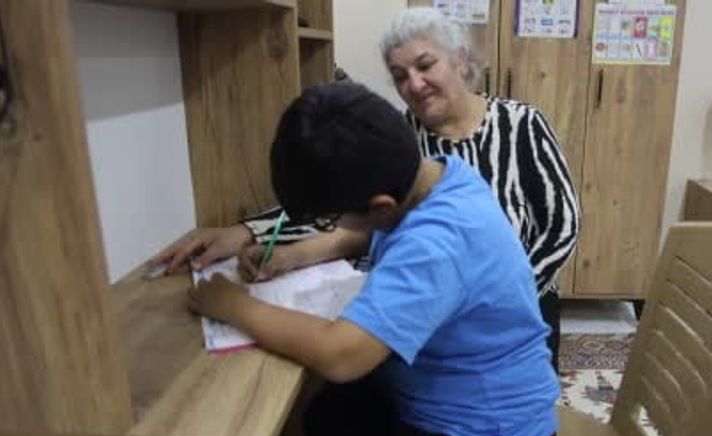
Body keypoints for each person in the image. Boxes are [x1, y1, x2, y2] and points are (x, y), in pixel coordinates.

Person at [188, 82, 558, 436]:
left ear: (381, 206)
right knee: (326, 417)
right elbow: (371, 236)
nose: (336, 226)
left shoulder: (435, 245)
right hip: (431, 393)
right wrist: (291, 255)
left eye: (335, 217)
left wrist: (235, 306)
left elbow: (340, 356)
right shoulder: (439, 177)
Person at [151, 7, 580, 371]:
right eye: (400, 76)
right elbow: (344, 203)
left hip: (516, 304)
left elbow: (562, 226)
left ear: (460, 61)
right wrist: (249, 232)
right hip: (432, 307)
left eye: (425, 65)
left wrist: (504, 295)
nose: (414, 84)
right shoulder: (398, 138)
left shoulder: (521, 124)